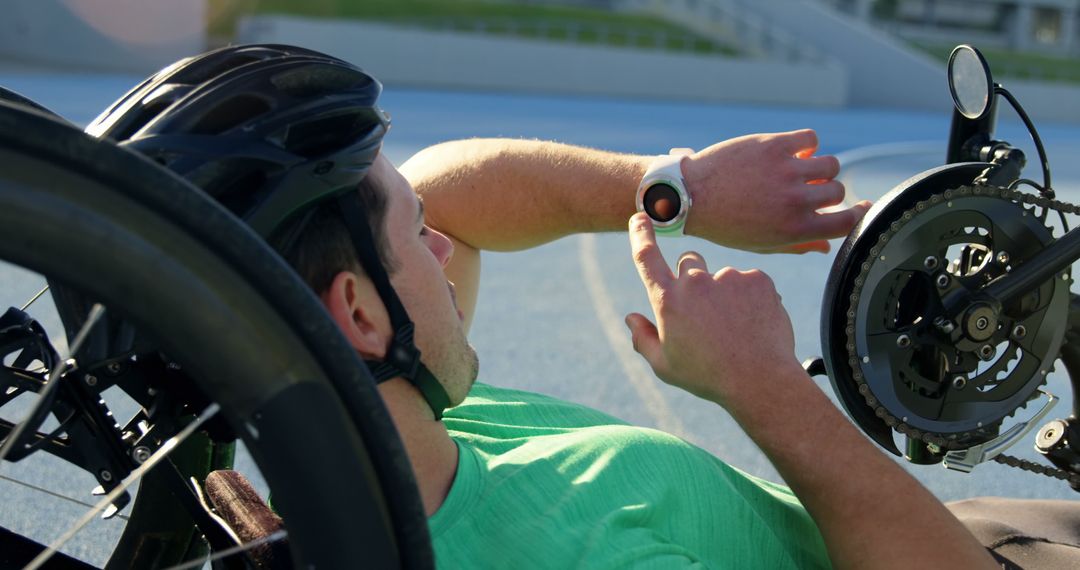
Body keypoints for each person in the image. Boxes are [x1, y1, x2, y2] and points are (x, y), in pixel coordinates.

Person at [88, 44, 1000, 568]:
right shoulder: (574, 555)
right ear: (360, 317)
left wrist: (676, 190)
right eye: (414, 235)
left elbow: (452, 188)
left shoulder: (380, 458)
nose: (441, 239)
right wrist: (761, 385)